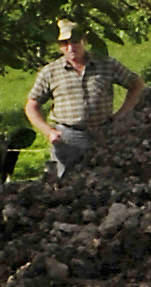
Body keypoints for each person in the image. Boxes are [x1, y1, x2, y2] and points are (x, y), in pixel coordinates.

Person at [25, 20, 141, 176]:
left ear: (84, 41)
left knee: (108, 178)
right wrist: (49, 132)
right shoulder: (50, 72)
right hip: (68, 138)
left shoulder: (106, 64)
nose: (70, 47)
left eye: (75, 41)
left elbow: (136, 84)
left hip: (103, 134)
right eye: (65, 43)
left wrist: (122, 114)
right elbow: (31, 106)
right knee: (67, 182)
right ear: (59, 46)